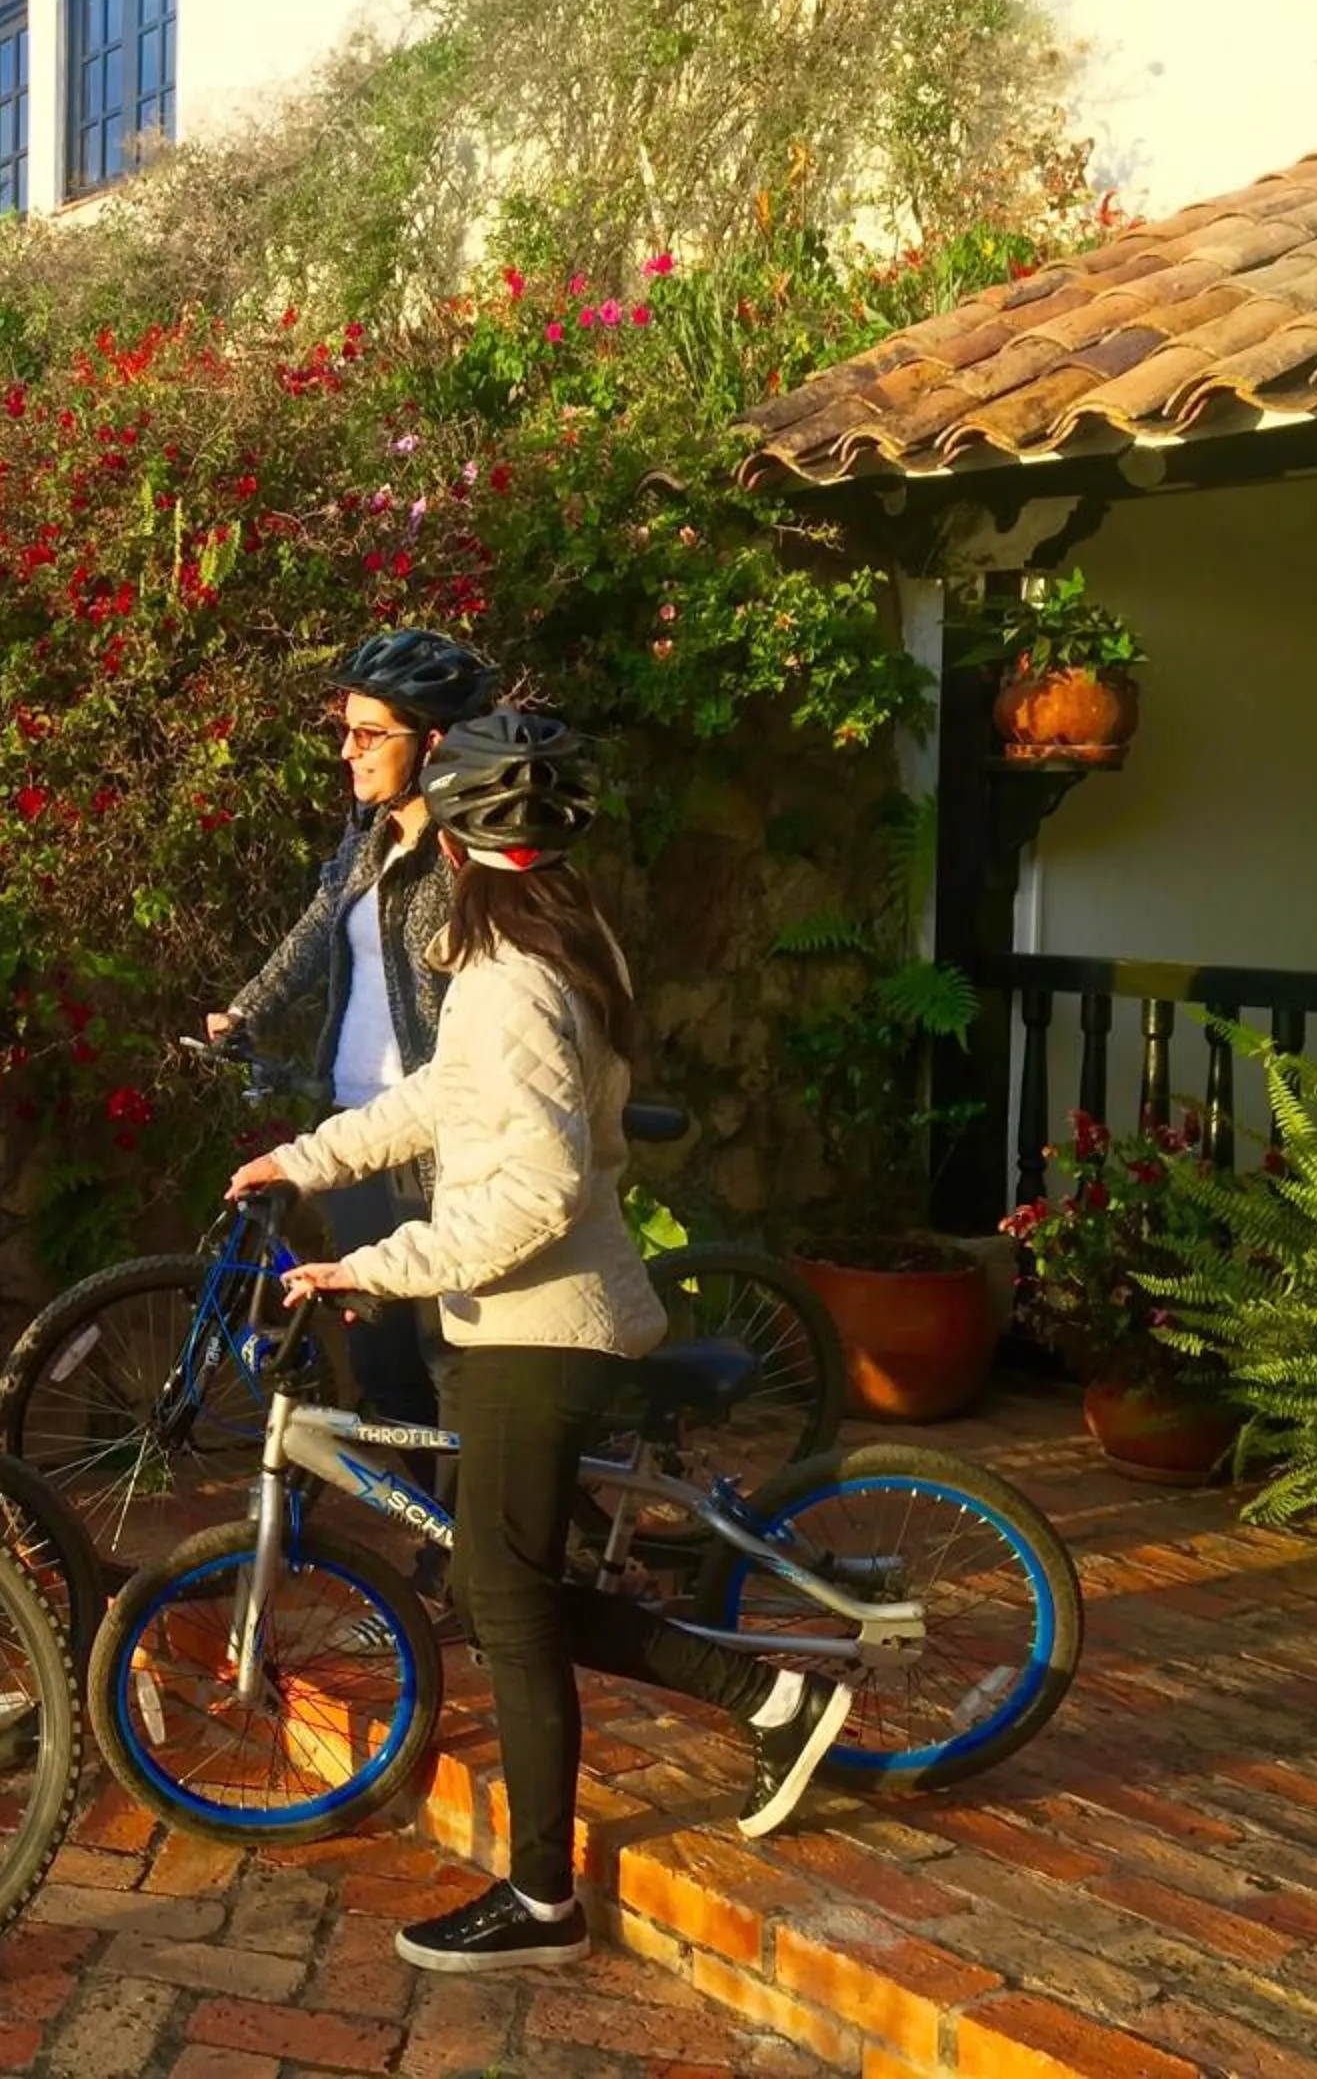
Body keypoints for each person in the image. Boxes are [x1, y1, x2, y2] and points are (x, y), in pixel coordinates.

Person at [226, 711, 854, 1976]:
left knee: (504, 1605)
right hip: (521, 1322)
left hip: (538, 1331)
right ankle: (771, 1696)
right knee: (498, 1587)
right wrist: (303, 1159)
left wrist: (371, 1264)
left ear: (461, 841)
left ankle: (543, 1899)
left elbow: (535, 1197)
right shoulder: (531, 951)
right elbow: (437, 1103)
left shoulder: (510, 983)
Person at [210, 629, 495, 1472]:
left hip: (442, 1140)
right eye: (348, 729)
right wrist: (246, 1011)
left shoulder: (468, 858)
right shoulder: (370, 834)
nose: (348, 750)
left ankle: (492, 1555)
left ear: (432, 744)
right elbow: (316, 927)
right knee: (380, 1360)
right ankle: (438, 1530)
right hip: (357, 1128)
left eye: (370, 735)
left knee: (454, 1356)